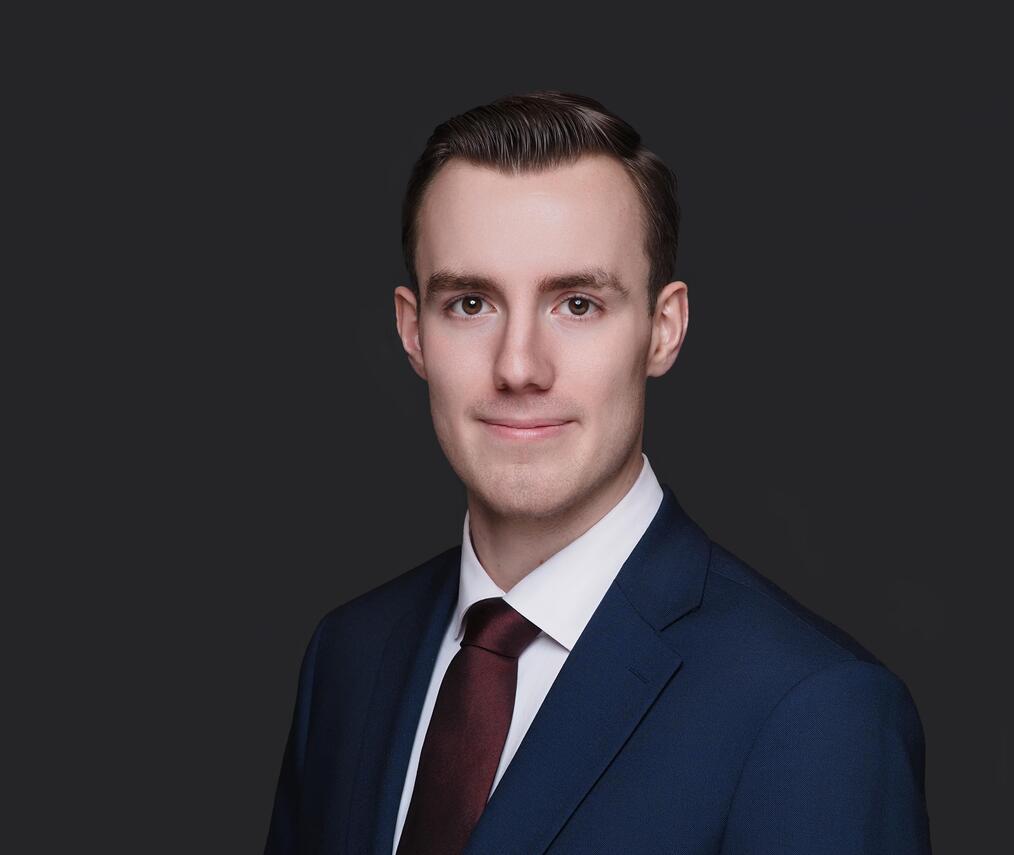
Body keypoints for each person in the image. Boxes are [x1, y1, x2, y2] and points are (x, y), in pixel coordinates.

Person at [264, 90, 933, 855]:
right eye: (471, 302)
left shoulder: (814, 709)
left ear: (663, 329)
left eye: (577, 303)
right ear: (413, 332)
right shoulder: (348, 657)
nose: (518, 366)